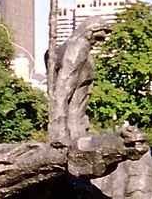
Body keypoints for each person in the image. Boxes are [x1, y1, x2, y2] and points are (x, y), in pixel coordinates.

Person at [47, 16, 116, 159]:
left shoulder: (69, 47)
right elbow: (63, 91)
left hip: (76, 122)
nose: (98, 43)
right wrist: (61, 133)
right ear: (89, 31)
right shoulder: (79, 47)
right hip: (73, 126)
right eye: (97, 38)